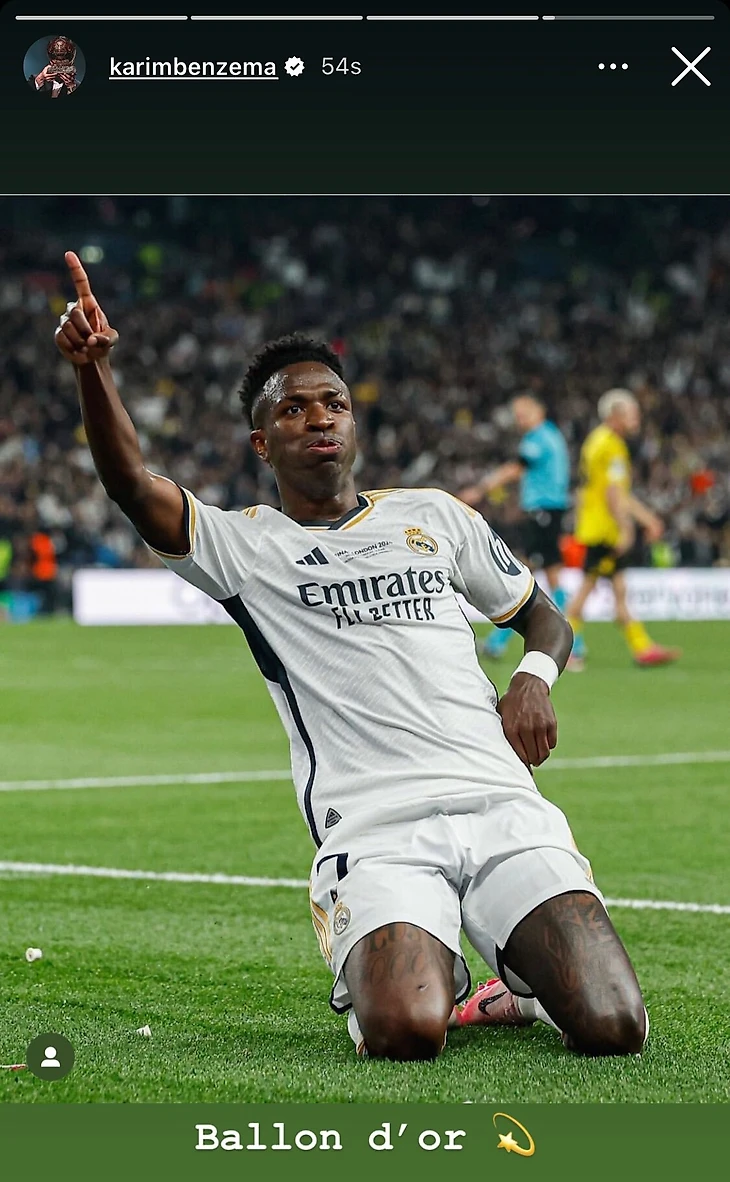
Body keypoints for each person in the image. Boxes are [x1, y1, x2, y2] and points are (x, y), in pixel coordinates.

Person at [55, 252, 648, 1061]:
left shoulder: (435, 516)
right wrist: (93, 370)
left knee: (615, 1025)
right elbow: (131, 483)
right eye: (294, 409)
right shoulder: (245, 547)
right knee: (406, 1032)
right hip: (375, 828)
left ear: (355, 425)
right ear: (263, 442)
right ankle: (409, 966)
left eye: (333, 403)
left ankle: (513, 991)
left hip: (501, 802)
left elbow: (544, 618)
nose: (320, 418)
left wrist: (532, 678)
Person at [567, 389, 681, 671]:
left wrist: (649, 519)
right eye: (632, 414)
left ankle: (642, 647)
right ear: (616, 416)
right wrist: (627, 528)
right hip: (605, 530)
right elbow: (614, 494)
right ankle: (563, 650)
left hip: (594, 524)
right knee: (585, 591)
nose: (637, 420)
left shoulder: (595, 441)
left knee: (619, 590)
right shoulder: (612, 446)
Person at [459, 395, 570, 659]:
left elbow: (516, 469)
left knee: (523, 573)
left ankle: (500, 641)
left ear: (539, 410)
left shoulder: (537, 438)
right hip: (552, 510)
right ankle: (572, 643)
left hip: (542, 509)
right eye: (517, 415)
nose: (520, 420)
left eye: (524, 413)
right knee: (550, 573)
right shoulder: (553, 435)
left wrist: (480, 490)